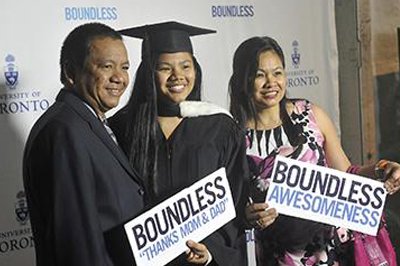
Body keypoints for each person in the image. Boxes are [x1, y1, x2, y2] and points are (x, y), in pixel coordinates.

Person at [228, 36, 400, 265]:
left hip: (334, 250)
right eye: (260, 75)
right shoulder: (234, 137)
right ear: (243, 79)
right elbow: (233, 206)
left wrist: (380, 170)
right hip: (280, 256)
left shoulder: (310, 115)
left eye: (278, 73)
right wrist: (248, 216)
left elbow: (346, 172)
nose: (271, 82)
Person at [109, 21, 249, 266]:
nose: (178, 76)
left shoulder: (220, 127)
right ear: (148, 73)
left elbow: (235, 203)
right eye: (165, 68)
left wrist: (211, 251)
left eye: (186, 66)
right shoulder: (122, 128)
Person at [23, 22, 145, 266]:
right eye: (106, 66)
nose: (119, 77)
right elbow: (76, 243)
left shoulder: (91, 124)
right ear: (70, 72)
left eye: (125, 67)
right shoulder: (64, 132)